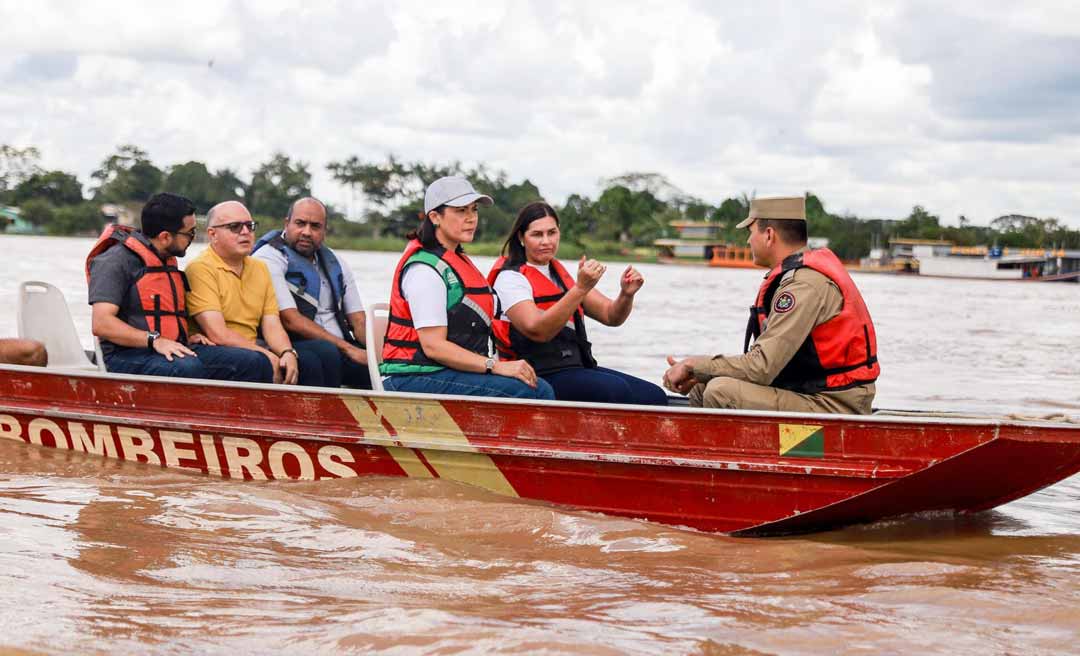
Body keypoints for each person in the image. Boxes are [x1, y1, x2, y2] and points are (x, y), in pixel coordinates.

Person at [662, 196, 879, 414]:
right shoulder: (796, 278)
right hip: (808, 391)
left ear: (768, 235)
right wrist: (700, 374)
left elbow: (761, 368)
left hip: (834, 404)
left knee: (720, 391)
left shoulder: (803, 286)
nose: (748, 241)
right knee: (702, 387)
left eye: (751, 232)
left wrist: (693, 365)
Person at [380, 175, 554, 400]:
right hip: (413, 378)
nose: (471, 218)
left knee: (535, 379)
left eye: (474, 210)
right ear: (435, 217)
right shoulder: (424, 270)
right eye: (461, 211)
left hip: (445, 371)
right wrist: (495, 365)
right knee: (536, 391)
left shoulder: (456, 260)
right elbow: (434, 347)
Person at [487, 201, 667, 406]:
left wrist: (626, 295)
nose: (546, 241)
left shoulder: (561, 276)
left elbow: (611, 316)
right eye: (537, 234)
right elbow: (537, 330)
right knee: (616, 391)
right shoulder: (511, 278)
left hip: (574, 367)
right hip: (535, 372)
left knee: (654, 396)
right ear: (521, 238)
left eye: (551, 233)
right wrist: (581, 288)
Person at [86, 192, 271, 381]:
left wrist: (185, 337)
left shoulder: (165, 259)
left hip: (167, 348)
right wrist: (155, 340)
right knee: (186, 368)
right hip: (125, 356)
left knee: (255, 361)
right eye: (189, 233)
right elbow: (102, 324)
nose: (193, 238)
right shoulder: (114, 261)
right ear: (165, 237)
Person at [185, 200, 338, 387]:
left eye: (249, 226)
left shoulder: (260, 268)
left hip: (252, 346)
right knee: (259, 361)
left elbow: (272, 324)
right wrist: (267, 354)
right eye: (234, 227)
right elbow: (218, 333)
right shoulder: (200, 268)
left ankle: (316, 413)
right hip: (214, 348)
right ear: (212, 234)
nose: (245, 232)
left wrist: (287, 352)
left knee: (321, 354)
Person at [253, 197, 372, 389]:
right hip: (295, 342)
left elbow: (359, 321)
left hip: (338, 345)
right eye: (300, 223)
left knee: (375, 369)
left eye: (315, 226)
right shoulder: (269, 258)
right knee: (327, 352)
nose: (307, 232)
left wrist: (382, 354)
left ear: (324, 231)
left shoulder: (336, 262)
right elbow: (290, 319)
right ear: (287, 223)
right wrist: (348, 349)